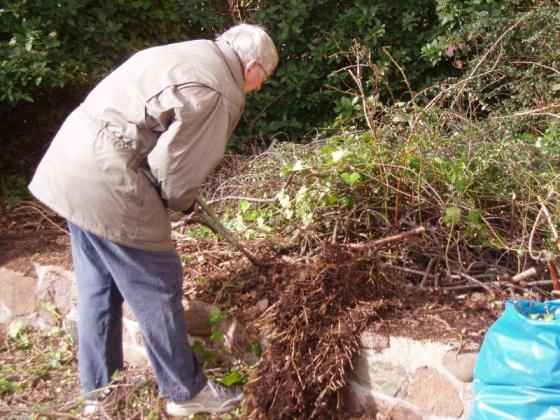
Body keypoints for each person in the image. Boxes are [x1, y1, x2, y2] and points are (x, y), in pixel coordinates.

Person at [28, 23, 278, 417]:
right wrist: (182, 202)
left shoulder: (186, 53)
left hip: (72, 165)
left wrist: (177, 197)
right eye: (264, 78)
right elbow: (175, 169)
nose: (260, 87)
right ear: (251, 66)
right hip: (111, 179)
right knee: (158, 284)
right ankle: (184, 391)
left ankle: (98, 392)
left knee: (98, 286)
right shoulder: (218, 89)